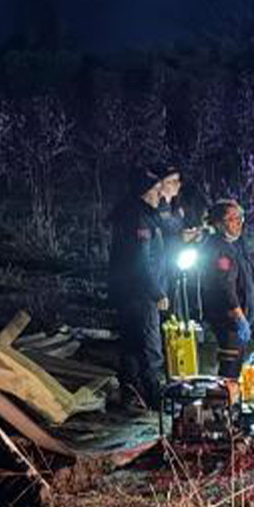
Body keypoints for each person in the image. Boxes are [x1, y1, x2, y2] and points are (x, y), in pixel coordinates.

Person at [108, 166, 169, 410]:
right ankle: (156, 402)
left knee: (131, 347)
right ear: (144, 192)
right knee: (150, 349)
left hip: (128, 293)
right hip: (141, 294)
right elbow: (142, 262)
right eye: (156, 190)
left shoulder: (136, 214)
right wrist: (158, 292)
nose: (160, 195)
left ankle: (131, 396)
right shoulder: (139, 219)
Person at [200, 199, 254, 382]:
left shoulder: (236, 244)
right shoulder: (219, 249)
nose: (238, 222)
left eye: (240, 217)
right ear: (218, 223)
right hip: (228, 317)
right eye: (231, 219)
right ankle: (222, 404)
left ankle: (230, 403)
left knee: (236, 362)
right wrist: (239, 316)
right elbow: (225, 286)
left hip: (238, 313)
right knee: (230, 363)